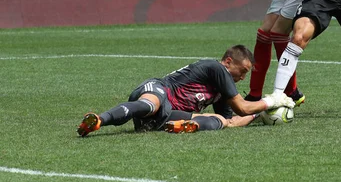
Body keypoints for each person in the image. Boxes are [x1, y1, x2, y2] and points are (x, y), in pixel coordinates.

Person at [77, 45, 296, 136]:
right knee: (151, 104)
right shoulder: (216, 68)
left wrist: (258, 115)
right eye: (243, 70)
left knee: (220, 119)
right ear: (228, 62)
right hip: (160, 90)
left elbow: (234, 119)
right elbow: (242, 106)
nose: (243, 77)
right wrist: (272, 100)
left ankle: (187, 126)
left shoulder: (220, 91)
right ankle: (99, 120)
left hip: (166, 118)